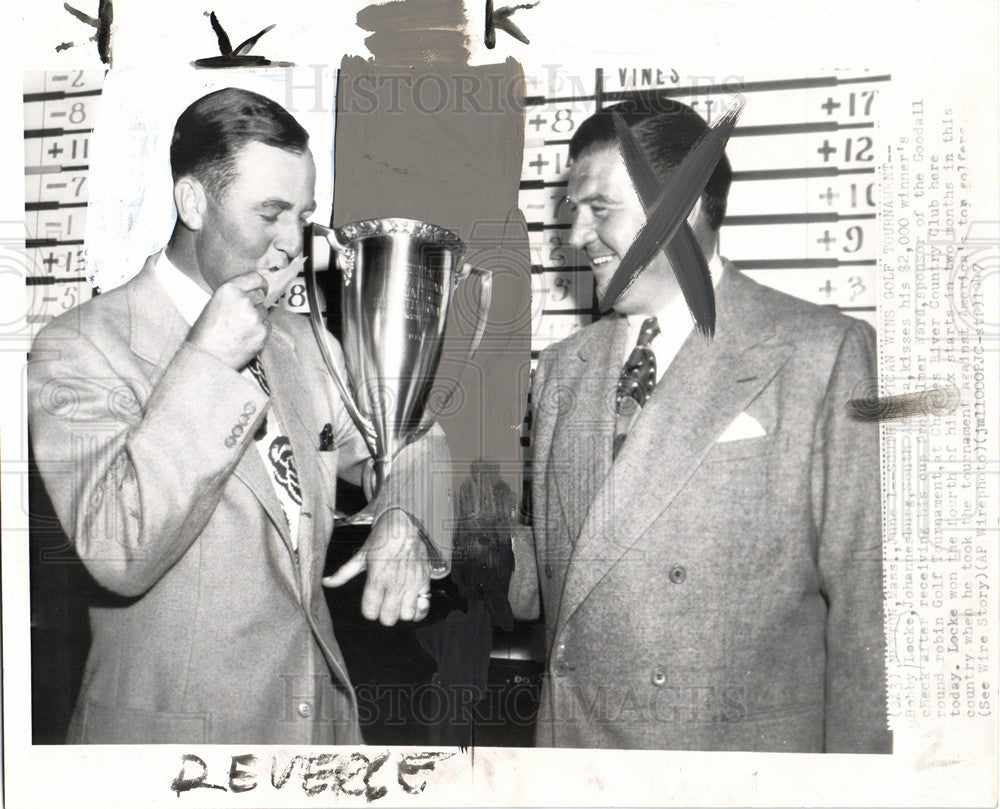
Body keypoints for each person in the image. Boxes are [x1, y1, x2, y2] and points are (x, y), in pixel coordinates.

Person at [27, 87, 453, 744]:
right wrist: (208, 358)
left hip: (321, 742)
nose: (293, 243)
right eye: (270, 214)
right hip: (172, 759)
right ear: (193, 201)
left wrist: (404, 514)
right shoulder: (80, 346)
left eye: (304, 216)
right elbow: (117, 550)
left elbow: (415, 435)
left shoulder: (304, 339)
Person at [509, 95, 891, 753]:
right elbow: (545, 585)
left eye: (599, 210)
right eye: (575, 212)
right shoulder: (563, 371)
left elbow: (869, 621)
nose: (575, 237)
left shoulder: (822, 354)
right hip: (574, 764)